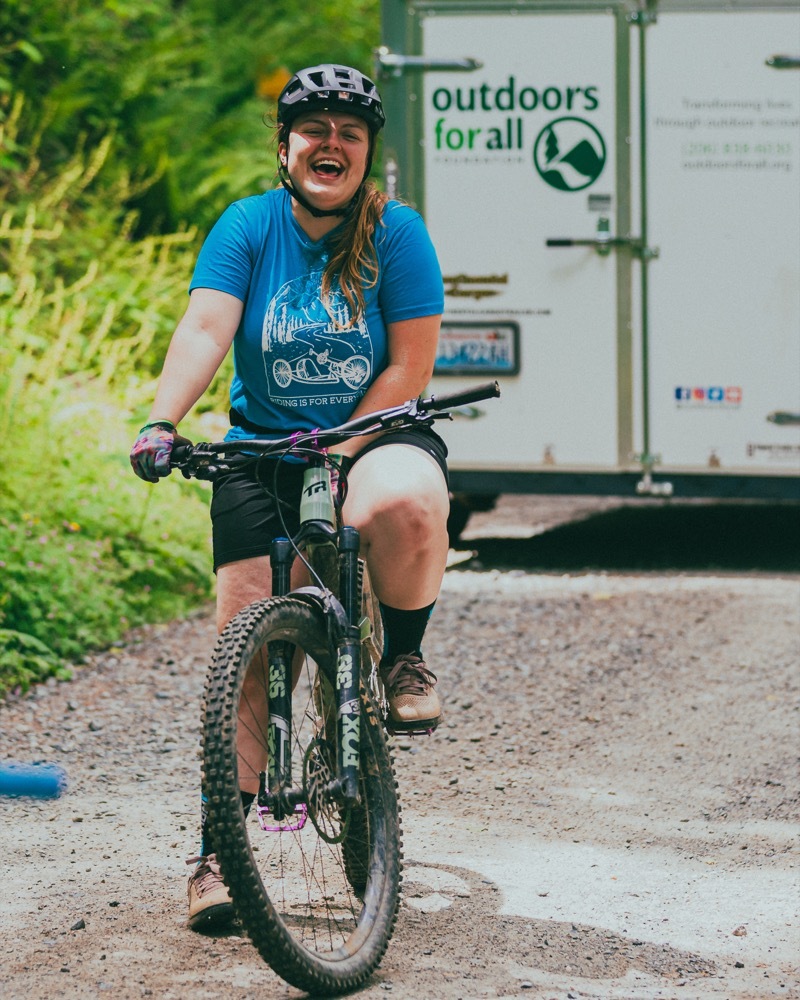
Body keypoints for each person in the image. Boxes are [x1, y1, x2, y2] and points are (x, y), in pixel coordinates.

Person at [129, 63, 450, 930]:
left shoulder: (397, 232)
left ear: (368, 154)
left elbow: (408, 367)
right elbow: (206, 325)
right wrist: (164, 420)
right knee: (247, 652)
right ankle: (216, 854)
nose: (331, 142)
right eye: (315, 129)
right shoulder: (248, 226)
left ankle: (402, 656)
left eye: (350, 131)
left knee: (405, 504)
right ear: (285, 148)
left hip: (373, 435)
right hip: (264, 453)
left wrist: (345, 445)